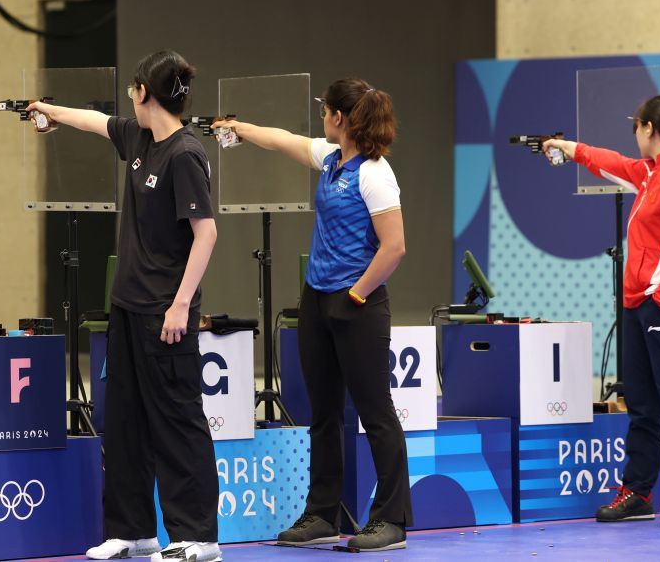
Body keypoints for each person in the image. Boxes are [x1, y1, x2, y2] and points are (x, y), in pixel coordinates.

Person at [28, 50, 222, 561]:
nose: (127, 99)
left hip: (166, 315)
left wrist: (181, 305)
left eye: (132, 91)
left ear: (143, 93)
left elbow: (207, 235)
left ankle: (198, 538)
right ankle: (133, 530)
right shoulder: (139, 139)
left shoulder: (184, 155)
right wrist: (48, 111)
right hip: (128, 310)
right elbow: (96, 122)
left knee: (178, 425)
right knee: (126, 423)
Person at [212, 78, 411, 551]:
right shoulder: (330, 158)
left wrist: (357, 296)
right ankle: (322, 514)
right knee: (323, 413)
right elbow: (285, 140)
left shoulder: (375, 173)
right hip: (318, 300)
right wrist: (238, 129)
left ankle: (392, 520)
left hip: (358, 304)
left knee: (375, 411)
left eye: (324, 111)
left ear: (339, 118)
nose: (320, 118)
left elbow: (395, 247)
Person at [543, 94, 660, 527]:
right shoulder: (653, 172)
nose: (633, 135)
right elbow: (615, 164)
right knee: (642, 405)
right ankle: (639, 492)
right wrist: (571, 149)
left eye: (634, 127)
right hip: (643, 306)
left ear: (649, 130)